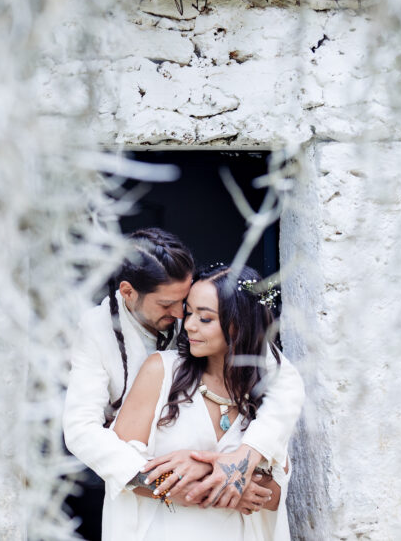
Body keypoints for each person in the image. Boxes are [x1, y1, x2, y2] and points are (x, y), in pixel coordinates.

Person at [62, 229, 304, 537]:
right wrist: (202, 486)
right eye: (170, 305)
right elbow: (81, 430)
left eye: (187, 305)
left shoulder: (253, 376)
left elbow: (288, 381)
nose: (181, 318)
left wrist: (237, 462)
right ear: (128, 292)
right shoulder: (100, 333)